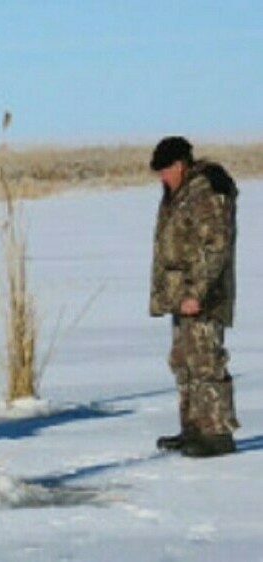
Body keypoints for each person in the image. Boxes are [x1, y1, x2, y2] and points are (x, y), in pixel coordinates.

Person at [149, 136, 239, 457]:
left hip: (204, 296)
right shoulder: (179, 192)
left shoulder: (206, 191)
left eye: (165, 170)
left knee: (205, 361)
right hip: (182, 294)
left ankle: (216, 433)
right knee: (183, 361)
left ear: (180, 164)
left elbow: (215, 246)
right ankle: (193, 429)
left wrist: (196, 292)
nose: (162, 178)